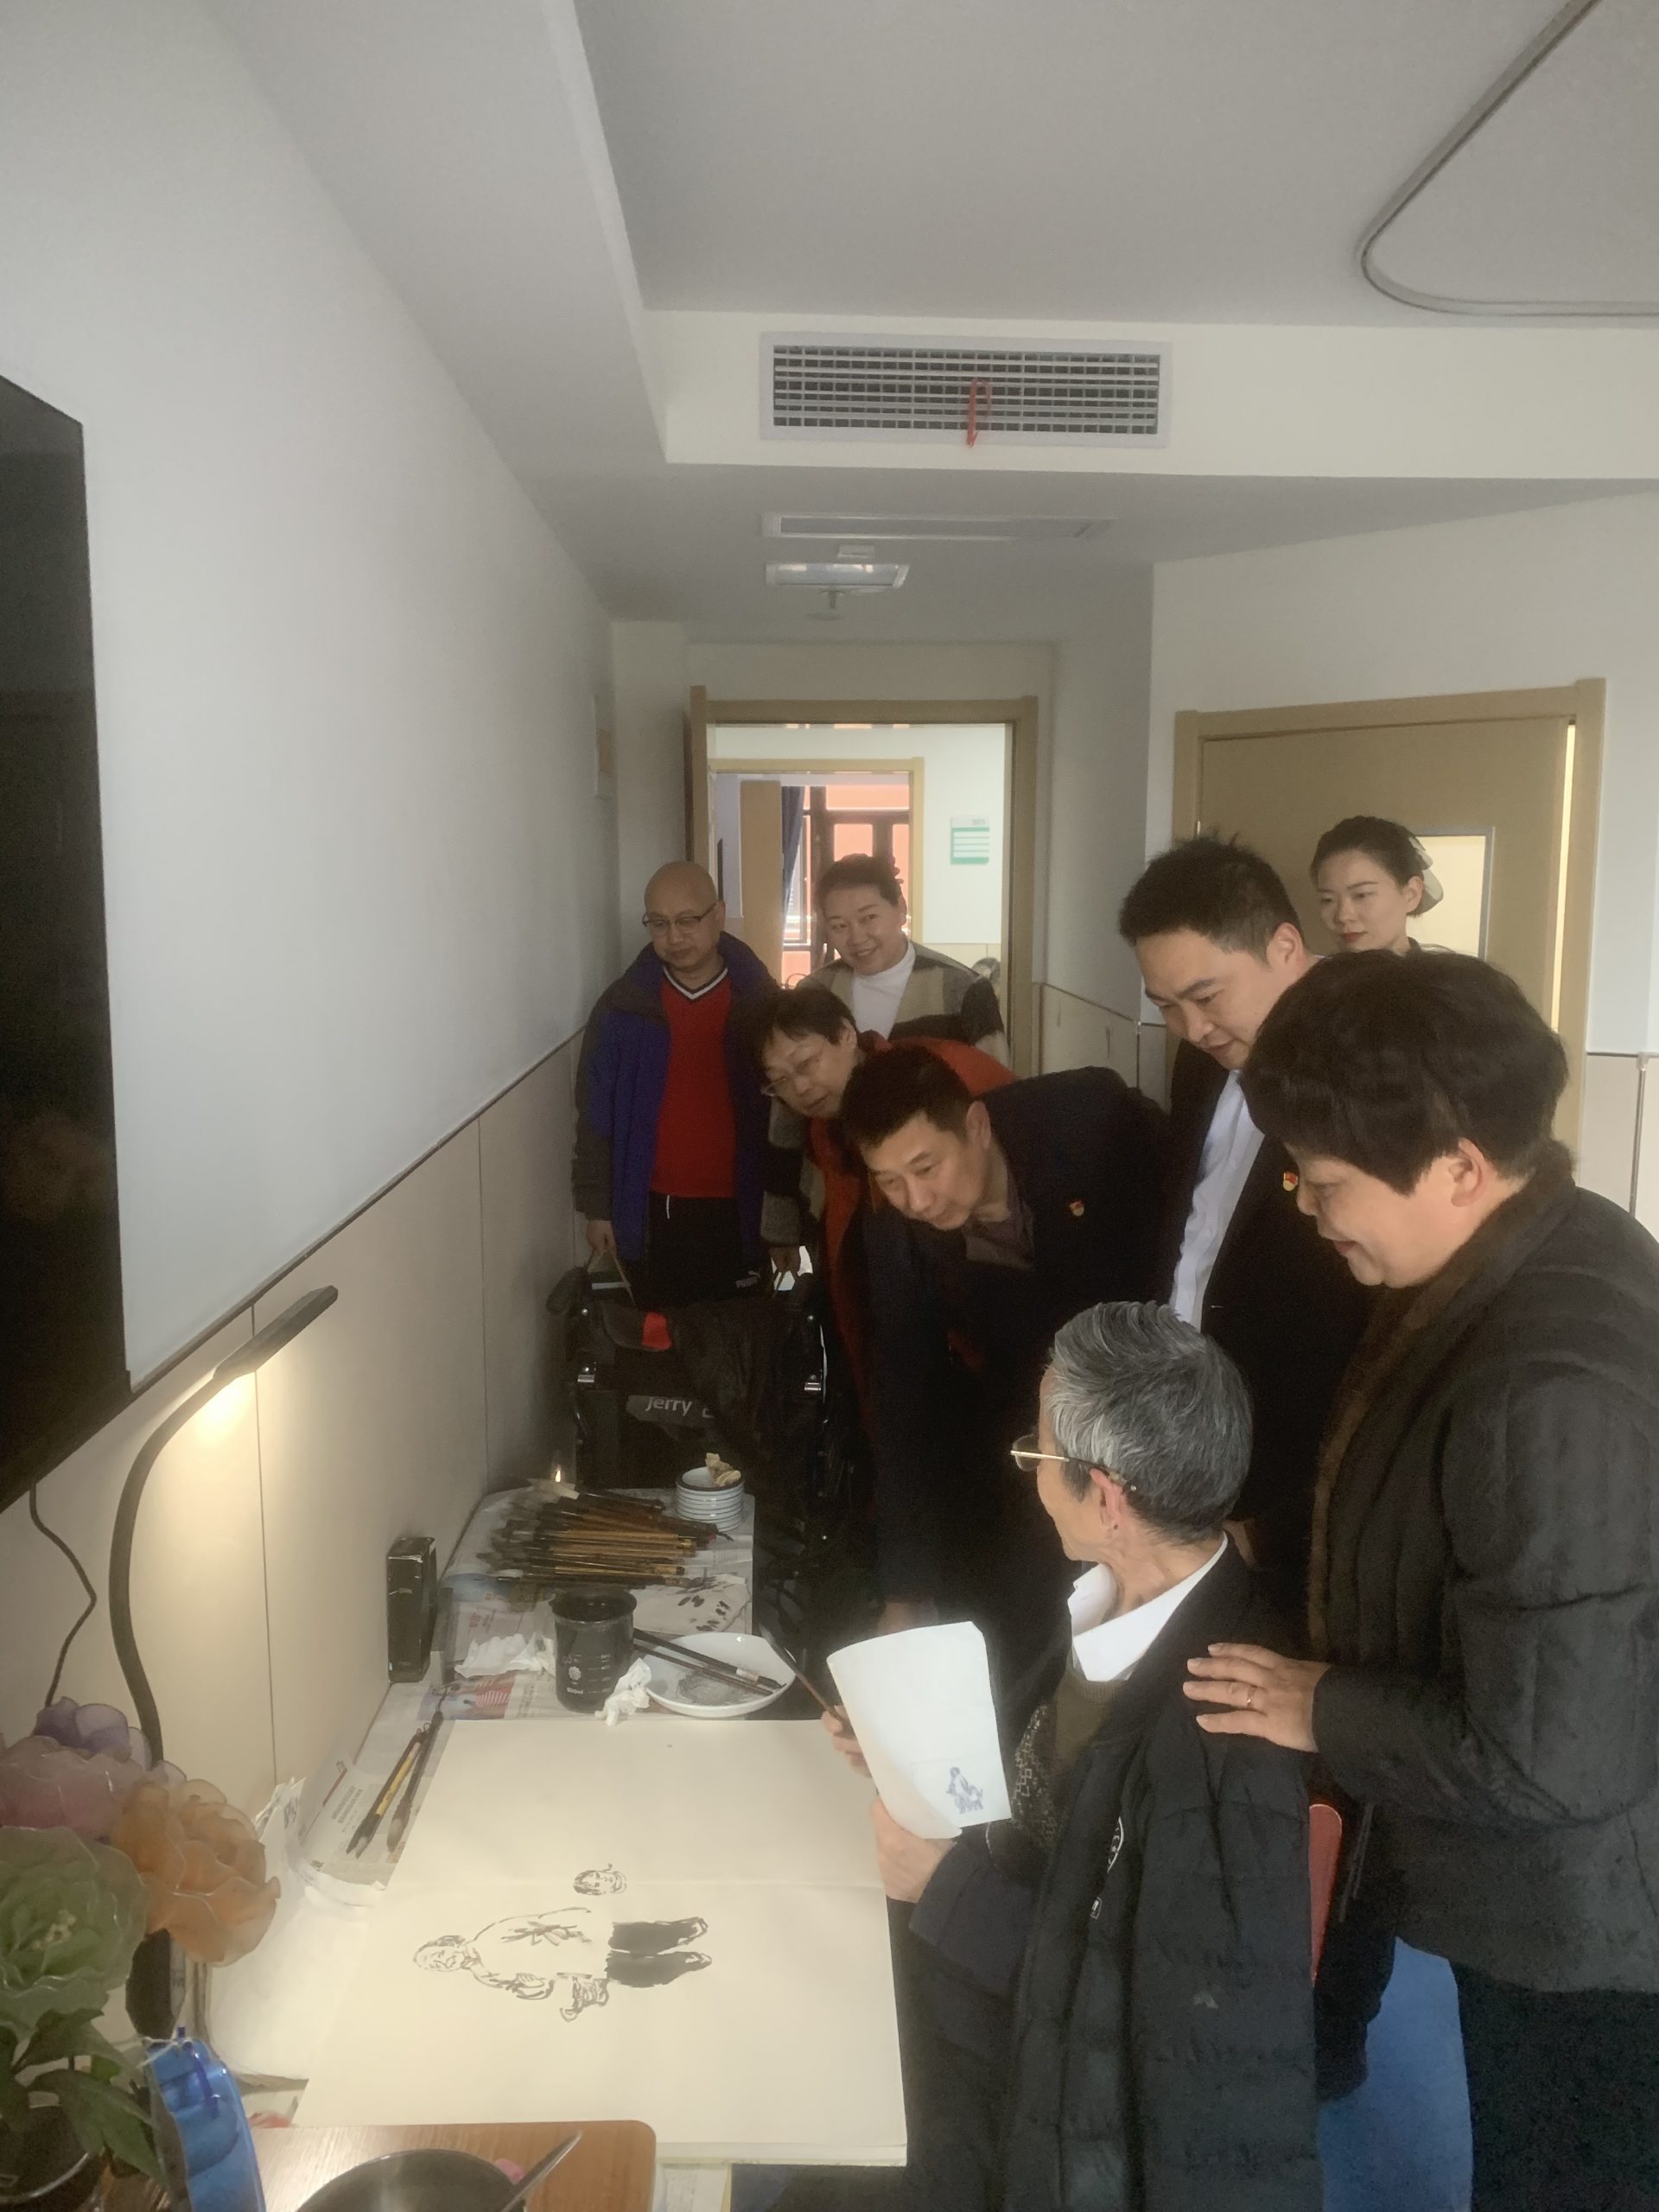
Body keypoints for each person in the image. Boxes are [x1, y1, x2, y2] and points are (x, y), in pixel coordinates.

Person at [1189, 950, 1659, 2212]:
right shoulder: (1517, 1244)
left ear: (1458, 1165)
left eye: (1328, 1179)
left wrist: (1320, 1705)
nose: (1305, 1203)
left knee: (1563, 2170)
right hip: (1551, 1882)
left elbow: (1552, 1757)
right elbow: (1437, 1497)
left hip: (1596, 1918)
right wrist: (1277, 1545)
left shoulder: (1548, 1390)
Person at [830, 1303, 1319, 2212]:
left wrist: (943, 1885)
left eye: (1037, 1454)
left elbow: (1143, 2021)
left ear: (1107, 1497)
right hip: (976, 2010)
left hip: (1028, 2110)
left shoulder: (1222, 1737)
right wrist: (912, 1744)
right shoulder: (1122, 1606)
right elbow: (1050, 1792)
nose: (1029, 1476)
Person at [839, 1048, 1163, 1686]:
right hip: (1029, 1425)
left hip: (1153, 1403)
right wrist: (905, 1592)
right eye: (890, 1181)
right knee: (1027, 1626)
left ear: (977, 1127)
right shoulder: (896, 1235)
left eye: (926, 1167)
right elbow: (905, 1401)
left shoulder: (1093, 1125)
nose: (916, 1200)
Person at [1118, 837, 1370, 1612]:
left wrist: (1283, 1526)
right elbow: (1196, 1231)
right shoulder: (1205, 1059)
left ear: (1285, 947)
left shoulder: (1368, 1070)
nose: (1191, 1027)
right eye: (1167, 1005)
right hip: (1190, 1439)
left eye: (1206, 995)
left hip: (1304, 1477)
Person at [752, 985, 1014, 1398]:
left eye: (806, 1063)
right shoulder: (825, 1128)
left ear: (846, 1034)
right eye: (779, 1081)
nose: (799, 1088)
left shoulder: (940, 1076)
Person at [572, 861, 773, 1308]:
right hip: (652, 1207)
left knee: (739, 1336)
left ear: (718, 915)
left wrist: (785, 1223)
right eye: (659, 924)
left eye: (687, 920)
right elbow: (595, 1115)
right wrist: (597, 1208)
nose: (674, 937)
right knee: (661, 1333)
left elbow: (786, 1120)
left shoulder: (761, 1003)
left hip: (743, 1207)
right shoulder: (623, 1008)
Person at [811, 853, 1008, 1060]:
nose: (857, 938)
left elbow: (997, 1077)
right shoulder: (816, 991)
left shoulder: (963, 990)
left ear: (901, 909)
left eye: (868, 917)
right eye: (839, 926)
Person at [1312, 815, 1444, 956]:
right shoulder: (1316, 970)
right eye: (1327, 900)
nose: (1343, 916)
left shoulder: (1446, 970)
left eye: (1361, 895)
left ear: (1411, 894)